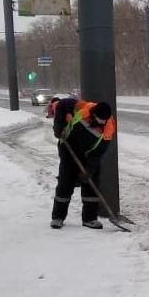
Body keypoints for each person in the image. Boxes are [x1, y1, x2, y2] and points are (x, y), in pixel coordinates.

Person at [50, 98, 116, 230]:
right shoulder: (83, 108)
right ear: (94, 114)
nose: (102, 123)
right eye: (100, 120)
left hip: (88, 154)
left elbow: (98, 153)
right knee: (65, 184)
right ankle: (58, 217)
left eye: (105, 120)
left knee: (91, 184)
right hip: (68, 149)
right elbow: (61, 105)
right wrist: (58, 127)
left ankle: (90, 218)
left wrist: (89, 171)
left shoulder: (108, 127)